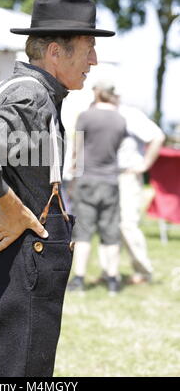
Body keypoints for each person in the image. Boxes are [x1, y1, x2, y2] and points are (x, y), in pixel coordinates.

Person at [0, 0, 115, 377]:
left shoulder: (23, 90)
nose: (94, 61)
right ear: (56, 51)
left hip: (5, 269)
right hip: (16, 274)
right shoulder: (30, 94)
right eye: (89, 49)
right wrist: (9, 207)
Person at [67, 80, 127, 295]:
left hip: (87, 179)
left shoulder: (86, 116)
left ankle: (79, 280)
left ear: (98, 93)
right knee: (110, 232)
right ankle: (112, 280)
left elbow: (77, 149)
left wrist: (73, 176)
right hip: (110, 181)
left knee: (83, 231)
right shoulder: (121, 120)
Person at [98, 93, 165, 284]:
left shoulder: (130, 115)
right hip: (105, 176)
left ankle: (143, 272)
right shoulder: (99, 114)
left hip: (126, 176)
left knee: (127, 225)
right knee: (107, 226)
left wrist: (145, 165)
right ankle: (108, 273)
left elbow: (157, 137)